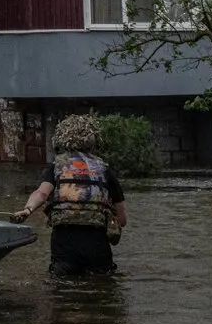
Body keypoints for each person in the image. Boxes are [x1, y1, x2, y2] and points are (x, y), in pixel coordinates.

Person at [10, 114, 127, 274]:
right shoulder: (104, 169)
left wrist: (28, 209)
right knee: (102, 287)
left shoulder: (57, 166)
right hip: (96, 241)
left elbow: (42, 193)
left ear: (62, 139)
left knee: (62, 288)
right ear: (94, 140)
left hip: (64, 240)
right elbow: (122, 219)